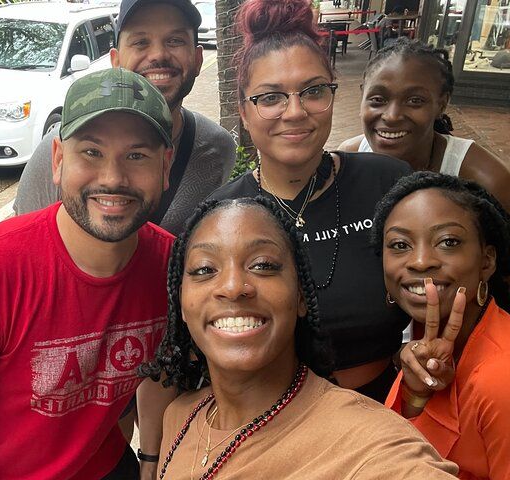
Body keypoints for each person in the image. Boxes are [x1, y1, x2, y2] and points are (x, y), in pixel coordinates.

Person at [0, 68, 177, 480]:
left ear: (165, 166)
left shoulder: (171, 264)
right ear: (57, 160)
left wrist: (150, 461)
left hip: (108, 466)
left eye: (136, 156)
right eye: (91, 152)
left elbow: (161, 375)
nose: (112, 178)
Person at [141, 196, 458, 479]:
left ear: (301, 297)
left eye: (263, 265)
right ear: (181, 303)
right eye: (205, 269)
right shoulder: (179, 416)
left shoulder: (366, 444)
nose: (234, 286)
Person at [206, 0, 412, 402]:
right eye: (270, 98)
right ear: (243, 114)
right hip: (272, 421)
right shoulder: (222, 216)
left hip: (388, 411)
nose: (295, 112)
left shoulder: (388, 183)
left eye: (314, 91)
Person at [14, 0, 236, 236]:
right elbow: (26, 244)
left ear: (198, 58)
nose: (159, 54)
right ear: (116, 60)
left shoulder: (216, 149)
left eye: (175, 41)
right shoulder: (63, 148)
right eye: (140, 42)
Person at [373, 172, 510, 479]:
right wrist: (417, 392)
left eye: (448, 242)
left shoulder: (501, 377)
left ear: (487, 261)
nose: (420, 262)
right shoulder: (422, 346)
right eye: (399, 244)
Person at [339, 38, 510, 212]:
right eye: (378, 100)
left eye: (415, 101)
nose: (392, 116)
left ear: (441, 105)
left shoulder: (484, 179)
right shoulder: (349, 159)